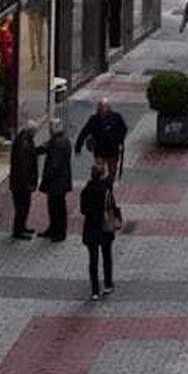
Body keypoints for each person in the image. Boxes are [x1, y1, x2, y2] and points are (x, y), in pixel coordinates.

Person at [79, 160, 119, 300]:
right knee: (107, 256)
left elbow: (83, 210)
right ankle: (108, 284)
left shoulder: (86, 190)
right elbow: (112, 207)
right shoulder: (106, 190)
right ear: (102, 175)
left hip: (91, 228)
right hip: (105, 228)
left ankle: (95, 290)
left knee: (93, 260)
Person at [37, 119, 73, 241]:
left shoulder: (57, 143)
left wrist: (47, 179)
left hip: (57, 183)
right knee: (56, 207)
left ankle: (59, 232)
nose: (49, 131)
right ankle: (54, 229)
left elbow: (54, 165)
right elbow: (47, 146)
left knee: (56, 208)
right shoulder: (63, 140)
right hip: (61, 182)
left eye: (50, 128)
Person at [75, 98, 128, 181]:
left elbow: (124, 129)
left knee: (112, 171)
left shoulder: (116, 117)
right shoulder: (94, 119)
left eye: (105, 106)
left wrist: (119, 140)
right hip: (99, 150)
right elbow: (84, 131)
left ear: (109, 107)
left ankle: (109, 188)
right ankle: (100, 187)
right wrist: (78, 146)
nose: (103, 108)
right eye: (101, 106)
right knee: (99, 171)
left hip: (112, 150)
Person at [10, 121, 39, 239]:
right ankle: (18, 231)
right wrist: (28, 183)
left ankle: (22, 227)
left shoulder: (26, 139)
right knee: (21, 207)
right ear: (30, 131)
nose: (35, 135)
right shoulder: (23, 142)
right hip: (20, 183)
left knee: (25, 206)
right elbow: (23, 166)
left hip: (23, 183)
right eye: (34, 132)